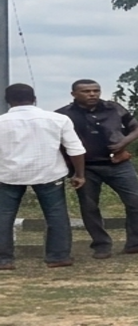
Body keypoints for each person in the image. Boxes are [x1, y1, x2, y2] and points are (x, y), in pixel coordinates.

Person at [57, 79, 138, 258]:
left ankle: (135, 244)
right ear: (74, 94)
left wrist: (124, 142)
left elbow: (137, 128)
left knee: (136, 202)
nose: (92, 94)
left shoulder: (114, 108)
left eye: (96, 90)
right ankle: (101, 245)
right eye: (86, 91)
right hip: (86, 168)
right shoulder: (63, 115)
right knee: (89, 206)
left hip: (119, 164)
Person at [0, 84, 86, 270]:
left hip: (8, 175)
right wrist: (79, 174)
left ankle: (3, 260)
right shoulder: (59, 119)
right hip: (50, 173)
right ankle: (58, 256)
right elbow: (76, 149)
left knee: (3, 216)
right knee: (56, 215)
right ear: (35, 98)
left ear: (8, 101)